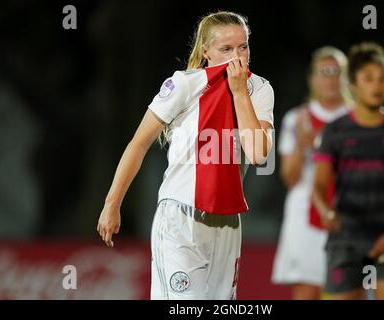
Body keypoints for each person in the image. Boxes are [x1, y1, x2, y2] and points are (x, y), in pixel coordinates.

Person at [96, 11, 274, 300]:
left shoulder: (260, 90)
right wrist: (112, 203)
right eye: (226, 49)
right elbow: (139, 143)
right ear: (206, 52)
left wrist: (240, 94)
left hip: (228, 222)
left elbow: (257, 154)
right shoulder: (184, 84)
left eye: (243, 47)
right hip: (180, 216)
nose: (237, 56)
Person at [312, 42, 384, 300]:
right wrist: (325, 211)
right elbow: (318, 185)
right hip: (345, 238)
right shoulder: (335, 131)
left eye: (383, 79)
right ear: (353, 84)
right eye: (369, 78)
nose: (377, 85)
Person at [272, 47, 350, 299]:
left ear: (346, 77)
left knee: (348, 289)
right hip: (304, 214)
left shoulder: (357, 118)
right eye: (323, 72)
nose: (329, 78)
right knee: (306, 289)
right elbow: (289, 178)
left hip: (348, 211)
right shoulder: (297, 119)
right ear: (312, 78)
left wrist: (324, 148)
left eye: (335, 72)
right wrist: (302, 146)